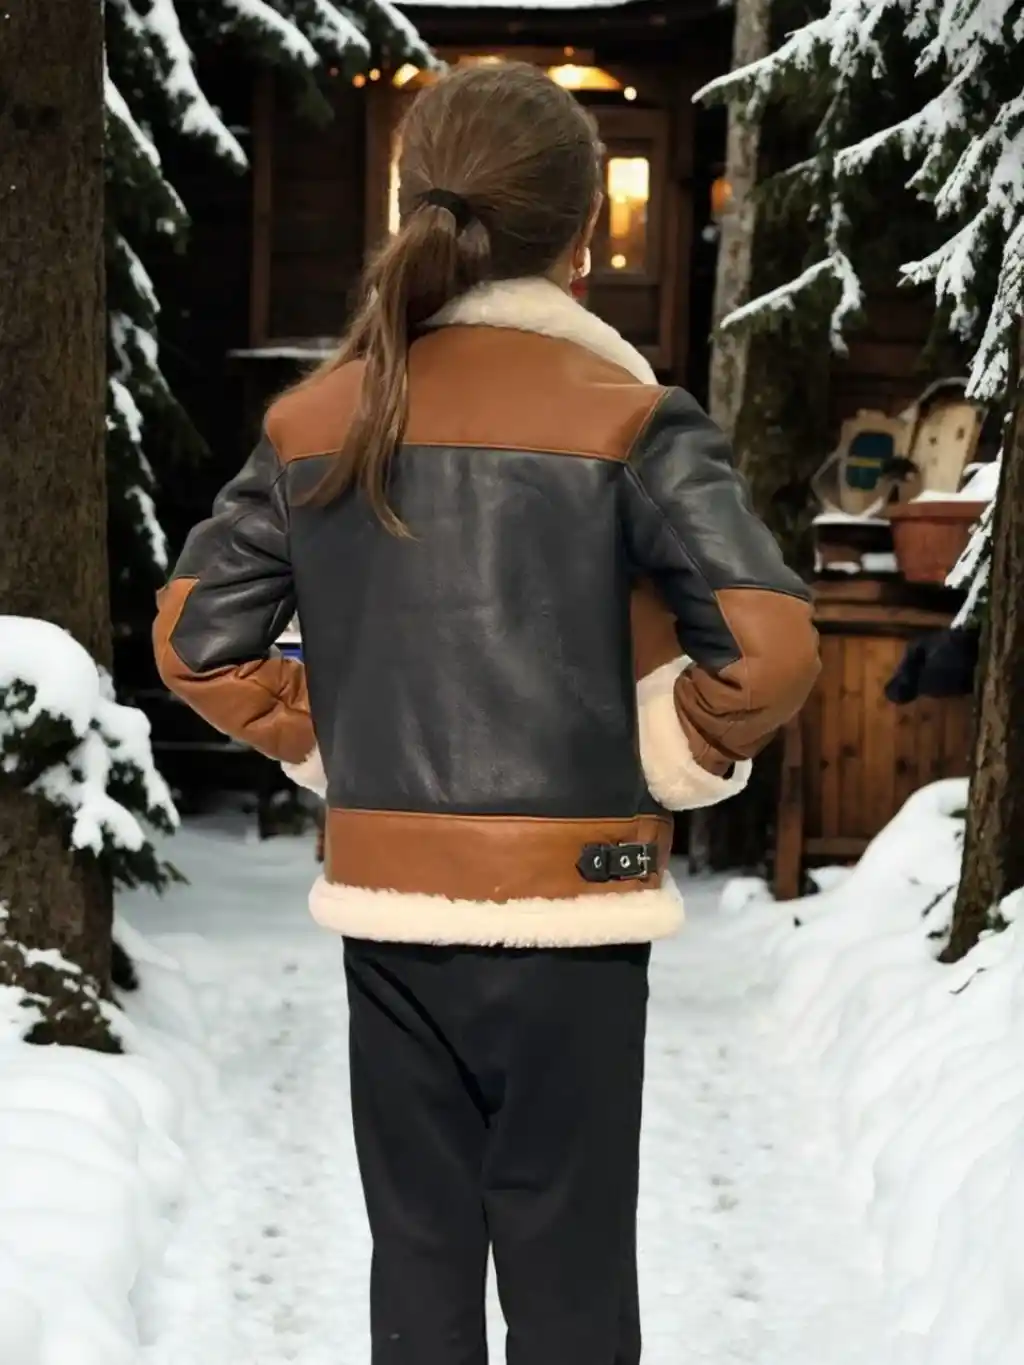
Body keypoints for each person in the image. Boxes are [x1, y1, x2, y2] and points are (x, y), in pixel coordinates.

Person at [153, 60, 819, 1365]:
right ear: (582, 242)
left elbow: (194, 641)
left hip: (391, 911)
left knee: (419, 1264)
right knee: (571, 1282)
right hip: (579, 914)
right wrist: (661, 742)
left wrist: (331, 735)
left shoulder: (320, 419)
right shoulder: (636, 422)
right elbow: (771, 649)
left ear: (411, 206)